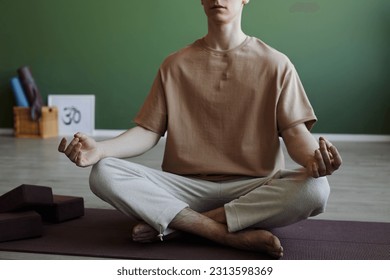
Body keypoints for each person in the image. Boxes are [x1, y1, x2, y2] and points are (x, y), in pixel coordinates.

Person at [58, 0, 342, 258]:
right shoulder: (175, 64)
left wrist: (313, 159)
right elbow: (148, 132)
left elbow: (295, 134)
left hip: (253, 188)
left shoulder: (277, 64)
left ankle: (182, 224)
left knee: (316, 188)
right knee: (104, 173)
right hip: (183, 187)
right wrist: (100, 149)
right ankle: (223, 234)